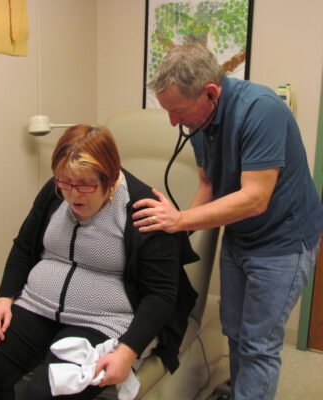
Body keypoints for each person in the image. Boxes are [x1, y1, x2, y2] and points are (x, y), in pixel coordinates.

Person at [132, 44, 323, 400]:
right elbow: (208, 184)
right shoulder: (201, 121)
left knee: (258, 343)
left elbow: (255, 197)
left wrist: (180, 219)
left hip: (283, 240)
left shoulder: (260, 110)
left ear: (210, 93)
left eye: (177, 111)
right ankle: (243, 391)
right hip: (241, 238)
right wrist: (176, 233)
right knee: (234, 328)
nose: (174, 122)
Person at [0, 124, 199, 400]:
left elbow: (161, 295)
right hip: (36, 305)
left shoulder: (143, 209)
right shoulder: (54, 192)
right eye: (65, 183)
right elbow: (23, 248)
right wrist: (4, 299)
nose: (73, 195)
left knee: (47, 393)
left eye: (85, 185)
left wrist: (128, 350)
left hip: (101, 321)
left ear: (110, 179)